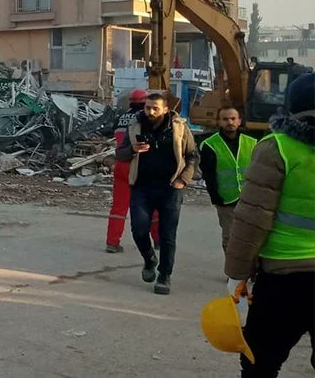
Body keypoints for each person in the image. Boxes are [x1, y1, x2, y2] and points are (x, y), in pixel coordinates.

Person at [225, 72, 314, 377]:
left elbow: (252, 218)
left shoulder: (277, 147)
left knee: (259, 361)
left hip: (284, 278)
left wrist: (236, 274)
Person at [114, 92, 198, 295]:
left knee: (168, 235)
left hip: (170, 188)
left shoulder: (179, 128)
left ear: (165, 109)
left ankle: (164, 275)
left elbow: (192, 156)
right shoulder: (135, 126)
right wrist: (133, 149)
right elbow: (120, 154)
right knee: (139, 230)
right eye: (147, 107)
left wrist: (183, 180)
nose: (150, 112)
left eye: (155, 108)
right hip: (142, 187)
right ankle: (149, 258)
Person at [106, 88, 160, 253]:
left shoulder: (120, 118)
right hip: (138, 164)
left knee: (119, 207)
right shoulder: (144, 119)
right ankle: (158, 240)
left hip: (121, 164)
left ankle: (112, 242)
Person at [200, 106, 258, 251]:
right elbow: (208, 175)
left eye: (233, 119)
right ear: (219, 122)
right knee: (230, 237)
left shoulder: (252, 142)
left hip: (250, 200)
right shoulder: (210, 145)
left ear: (239, 121)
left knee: (251, 237)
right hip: (226, 200)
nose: (230, 122)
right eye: (225, 119)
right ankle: (234, 271)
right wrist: (216, 198)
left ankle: (251, 270)